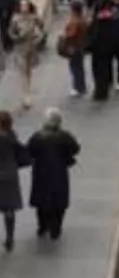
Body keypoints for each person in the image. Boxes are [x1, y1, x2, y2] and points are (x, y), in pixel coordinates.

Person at [27, 106, 78, 241]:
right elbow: (75, 148)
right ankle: (56, 228)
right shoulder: (64, 136)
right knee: (59, 201)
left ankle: (42, 226)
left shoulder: (37, 136)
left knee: (41, 200)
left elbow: (30, 151)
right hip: (59, 172)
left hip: (41, 173)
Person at [0, 107, 22, 250]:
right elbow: (23, 154)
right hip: (9, 175)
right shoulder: (12, 136)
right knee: (9, 209)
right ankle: (10, 238)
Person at [56, 0, 86, 99]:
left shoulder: (74, 21)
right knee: (80, 67)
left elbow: (70, 34)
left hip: (73, 47)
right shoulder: (82, 19)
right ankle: (81, 86)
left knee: (75, 68)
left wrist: (62, 35)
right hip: (80, 46)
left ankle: (77, 87)